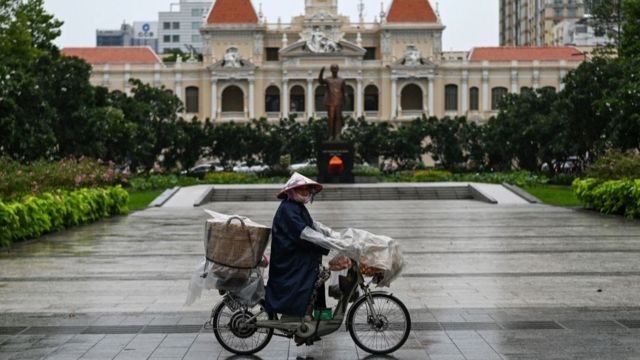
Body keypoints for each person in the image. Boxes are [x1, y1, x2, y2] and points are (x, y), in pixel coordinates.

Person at [265, 173, 329, 319]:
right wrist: (325, 243)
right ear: (292, 191)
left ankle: (318, 315)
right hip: (289, 258)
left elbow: (313, 226)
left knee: (321, 274)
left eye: (307, 189)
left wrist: (333, 237)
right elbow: (304, 233)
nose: (305, 192)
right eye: (301, 189)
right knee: (317, 274)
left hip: (296, 253)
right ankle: (303, 313)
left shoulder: (297, 207)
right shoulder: (289, 209)